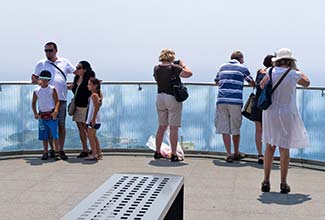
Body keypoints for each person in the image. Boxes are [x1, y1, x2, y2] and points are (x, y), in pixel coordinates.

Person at [260, 48, 310, 194]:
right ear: (290, 61)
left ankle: (266, 181)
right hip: (287, 113)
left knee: (269, 146)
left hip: (270, 113)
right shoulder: (294, 74)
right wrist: (298, 70)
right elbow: (307, 83)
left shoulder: (269, 71)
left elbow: (262, 86)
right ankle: (283, 183)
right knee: (284, 148)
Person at [31, 42, 76, 160]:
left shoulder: (64, 62)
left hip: (61, 98)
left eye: (50, 50)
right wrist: (40, 82)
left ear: (56, 50)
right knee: (49, 127)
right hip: (47, 101)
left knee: (61, 125)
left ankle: (60, 150)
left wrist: (76, 84)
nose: (48, 53)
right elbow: (34, 78)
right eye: (46, 50)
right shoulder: (41, 63)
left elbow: (76, 73)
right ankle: (52, 150)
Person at [215, 51, 255, 163]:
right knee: (235, 127)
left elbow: (217, 81)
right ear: (241, 58)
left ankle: (228, 154)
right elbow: (252, 82)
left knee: (224, 128)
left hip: (221, 100)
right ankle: (236, 152)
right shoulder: (242, 67)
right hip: (235, 101)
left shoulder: (222, 67)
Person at [153, 48, 192, 162]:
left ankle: (157, 152)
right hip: (172, 97)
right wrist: (183, 65)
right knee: (173, 128)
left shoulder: (156, 68)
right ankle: (174, 154)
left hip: (160, 97)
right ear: (172, 57)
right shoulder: (175, 68)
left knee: (161, 127)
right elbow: (189, 74)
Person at [251, 55, 275, 164]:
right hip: (269, 104)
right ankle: (268, 155)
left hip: (258, 102)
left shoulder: (259, 72)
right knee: (269, 130)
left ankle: (260, 154)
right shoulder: (274, 72)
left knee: (258, 130)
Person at [32, 70, 61, 160]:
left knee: (54, 134)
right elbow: (33, 103)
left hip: (51, 114)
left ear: (49, 80)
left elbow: (57, 101)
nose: (44, 81)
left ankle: (57, 152)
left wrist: (56, 111)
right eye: (42, 79)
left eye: (46, 79)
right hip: (42, 115)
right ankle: (45, 152)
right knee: (44, 135)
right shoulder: (36, 91)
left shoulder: (52, 89)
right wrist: (35, 113)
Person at [70, 61, 95, 158]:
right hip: (77, 105)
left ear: (85, 69)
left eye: (79, 68)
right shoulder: (77, 78)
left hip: (85, 106)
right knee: (80, 128)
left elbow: (93, 90)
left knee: (87, 129)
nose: (77, 69)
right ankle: (85, 149)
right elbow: (75, 89)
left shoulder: (89, 79)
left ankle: (94, 149)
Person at [85, 78, 102, 161]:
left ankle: (94, 154)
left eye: (90, 84)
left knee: (90, 136)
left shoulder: (94, 95)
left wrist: (93, 119)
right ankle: (99, 153)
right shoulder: (95, 95)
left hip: (93, 119)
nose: (88, 86)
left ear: (95, 86)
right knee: (94, 136)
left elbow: (96, 108)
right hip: (94, 119)